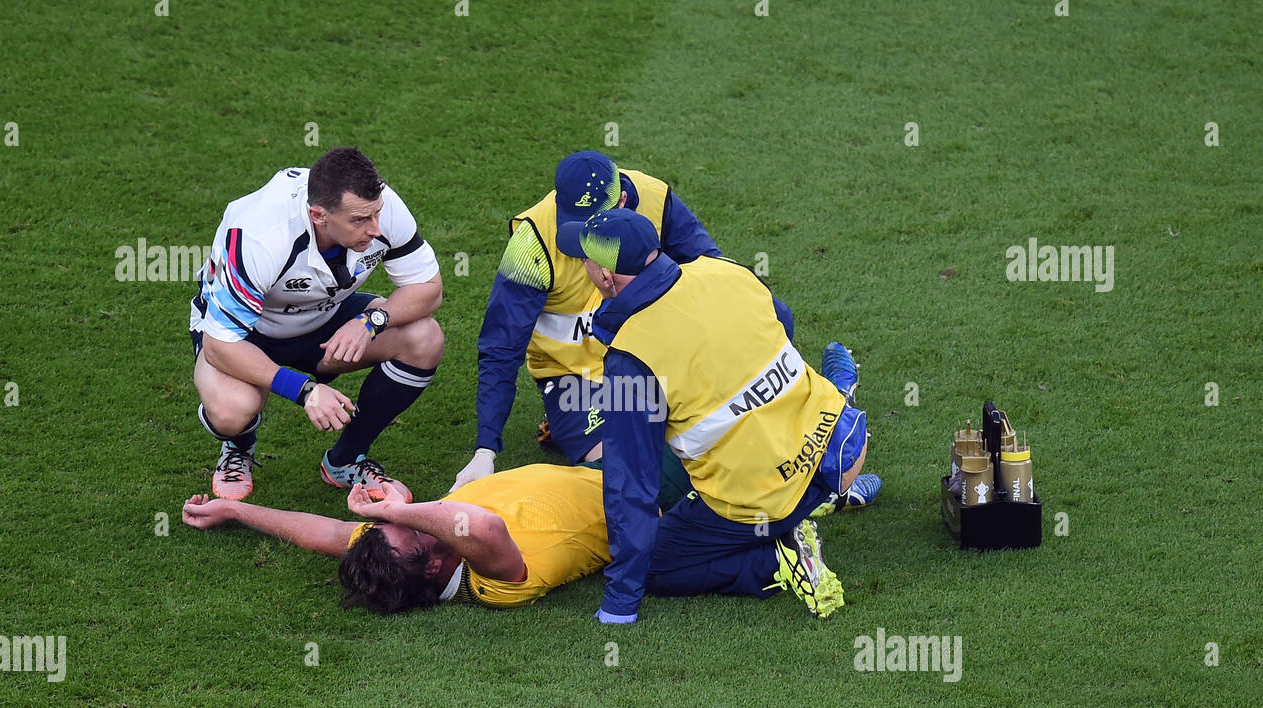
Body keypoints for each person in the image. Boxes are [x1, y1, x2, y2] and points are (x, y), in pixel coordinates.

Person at [555, 208, 880, 624]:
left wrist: (620, 601)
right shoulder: (722, 270)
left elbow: (630, 482)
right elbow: (783, 321)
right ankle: (835, 440)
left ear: (604, 275)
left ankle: (776, 559)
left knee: (656, 563)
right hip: (843, 445)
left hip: (766, 499)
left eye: (583, 257)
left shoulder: (630, 358)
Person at [452, 150, 760, 490]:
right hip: (578, 382)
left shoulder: (656, 200)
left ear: (623, 201)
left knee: (722, 424)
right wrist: (486, 450)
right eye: (575, 223)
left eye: (594, 225)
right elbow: (501, 347)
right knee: (622, 471)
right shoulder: (531, 244)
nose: (584, 239)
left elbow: (712, 271)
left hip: (658, 356)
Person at [189, 146, 444, 501]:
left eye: (376, 214)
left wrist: (371, 321)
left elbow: (429, 289)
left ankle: (345, 460)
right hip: (247, 334)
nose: (374, 228)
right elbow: (221, 346)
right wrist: (305, 390)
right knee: (231, 411)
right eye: (359, 221)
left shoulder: (379, 208)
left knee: (424, 337)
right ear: (318, 215)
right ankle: (238, 446)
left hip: (325, 317)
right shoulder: (260, 236)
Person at [180, 453, 698, 614]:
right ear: (432, 567)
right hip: (658, 495)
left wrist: (235, 511)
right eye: (405, 531)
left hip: (604, 463)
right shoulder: (494, 582)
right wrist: (403, 509)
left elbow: (329, 532)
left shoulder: (398, 549)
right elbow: (484, 526)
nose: (384, 523)